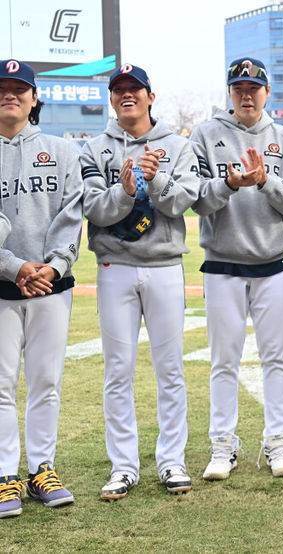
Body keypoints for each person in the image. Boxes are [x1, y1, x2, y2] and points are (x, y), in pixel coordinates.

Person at [81, 64, 201, 500]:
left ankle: (172, 460)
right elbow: (94, 208)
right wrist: (126, 191)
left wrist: (155, 177)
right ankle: (123, 466)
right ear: (112, 98)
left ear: (151, 96)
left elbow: (183, 202)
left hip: (164, 264)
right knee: (118, 370)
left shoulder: (178, 146)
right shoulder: (94, 148)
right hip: (115, 265)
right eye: (119, 89)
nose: (127, 95)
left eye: (135, 88)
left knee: (170, 369)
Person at [191, 57, 283, 480]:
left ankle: (277, 441)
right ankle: (222, 445)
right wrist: (228, 184)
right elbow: (195, 199)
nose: (247, 95)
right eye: (239, 88)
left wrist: (265, 182)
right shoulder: (206, 134)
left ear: (267, 93)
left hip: (273, 263)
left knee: (275, 357)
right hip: (222, 262)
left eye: (254, 88)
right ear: (230, 92)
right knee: (223, 360)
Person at [0, 59, 82, 518]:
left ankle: (41, 470)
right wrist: (14, 267)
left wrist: (52, 267)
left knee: (46, 382)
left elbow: (71, 215)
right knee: (1, 386)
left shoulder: (62, 150)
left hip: (51, 285)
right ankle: (4, 475)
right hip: (1, 285)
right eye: (2, 88)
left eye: (19, 88)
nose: (10, 95)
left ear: (34, 99)